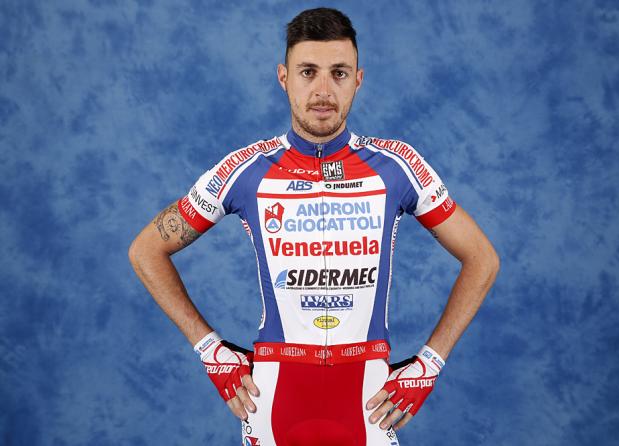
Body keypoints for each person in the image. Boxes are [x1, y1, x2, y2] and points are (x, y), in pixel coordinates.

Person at [129, 7, 499, 446]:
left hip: (368, 400)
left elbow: (482, 258)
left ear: (358, 80)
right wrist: (209, 349)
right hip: (272, 398)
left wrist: (430, 363)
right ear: (284, 78)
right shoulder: (246, 169)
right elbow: (146, 249)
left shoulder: (397, 165)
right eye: (308, 72)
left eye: (338, 73)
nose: (323, 90)